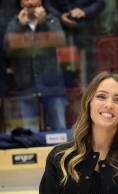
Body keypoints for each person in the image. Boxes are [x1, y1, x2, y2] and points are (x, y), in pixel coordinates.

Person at [4, 0, 66, 131]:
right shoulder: (14, 23)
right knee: (29, 134)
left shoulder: (51, 21)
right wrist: (20, 26)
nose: (31, 2)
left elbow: (61, 41)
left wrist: (43, 22)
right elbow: (6, 50)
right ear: (21, 4)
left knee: (60, 131)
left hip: (52, 85)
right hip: (26, 87)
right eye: (27, 1)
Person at [45, 0, 105, 84]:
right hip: (61, 29)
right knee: (67, 70)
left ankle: (89, 91)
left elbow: (100, 2)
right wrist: (60, 17)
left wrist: (84, 12)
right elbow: (48, 5)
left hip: (86, 27)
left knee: (89, 70)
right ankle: (70, 91)